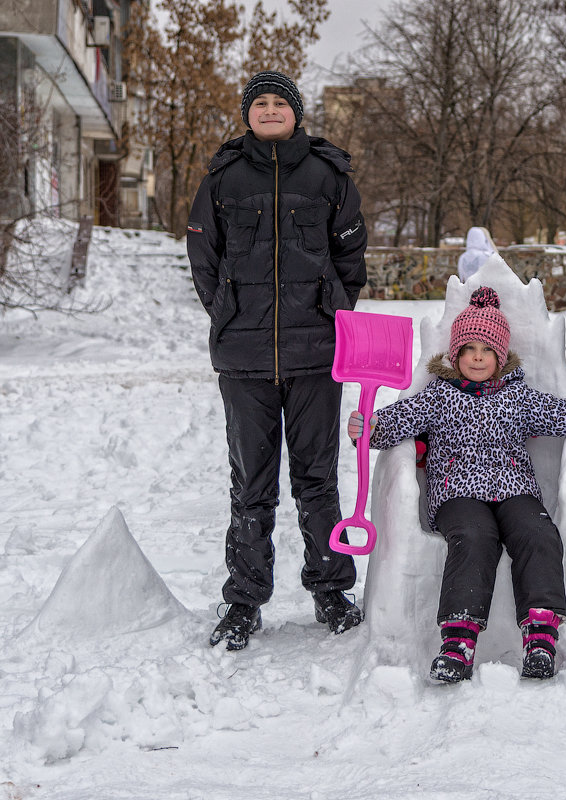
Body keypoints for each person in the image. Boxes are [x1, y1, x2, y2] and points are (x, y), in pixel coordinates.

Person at [347, 287, 566, 682]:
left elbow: (565, 415)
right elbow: (396, 422)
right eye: (469, 349)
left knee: (538, 533)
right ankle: (458, 642)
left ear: (500, 356)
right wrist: (368, 426)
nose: (478, 357)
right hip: (458, 492)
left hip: (515, 490)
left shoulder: (519, 397)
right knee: (473, 537)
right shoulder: (437, 396)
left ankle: (540, 637)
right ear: (456, 355)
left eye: (487, 349)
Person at [187, 70, 369, 651]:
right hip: (244, 356)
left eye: (278, 102)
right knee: (251, 485)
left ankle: (331, 589)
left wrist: (333, 307)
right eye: (258, 102)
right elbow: (203, 254)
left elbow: (351, 256)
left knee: (317, 480)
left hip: (317, 354)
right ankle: (243, 600)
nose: (268, 110)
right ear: (248, 113)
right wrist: (225, 308)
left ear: (295, 111)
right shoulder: (223, 177)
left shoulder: (327, 174)